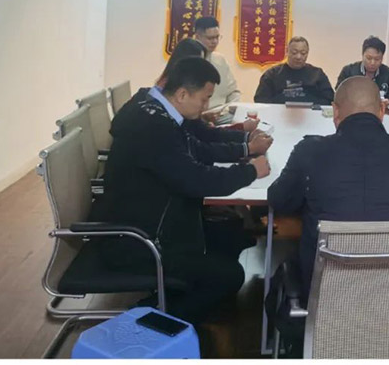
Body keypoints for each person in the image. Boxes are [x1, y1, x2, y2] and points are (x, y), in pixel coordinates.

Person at [101, 56, 270, 326]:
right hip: (141, 240)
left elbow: (196, 150)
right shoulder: (153, 127)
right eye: (204, 99)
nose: (206, 106)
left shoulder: (156, 110)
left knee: (233, 234)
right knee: (230, 275)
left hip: (158, 218)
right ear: (182, 94)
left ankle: (177, 293)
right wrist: (249, 172)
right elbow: (195, 179)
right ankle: (147, 320)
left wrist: (244, 151)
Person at [267, 76, 389, 297]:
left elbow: (279, 200)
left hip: (325, 291)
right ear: (382, 110)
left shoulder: (310, 151)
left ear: (335, 110)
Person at [118, 39, 272, 164]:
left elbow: (198, 139)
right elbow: (196, 153)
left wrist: (245, 140)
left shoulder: (168, 102)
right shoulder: (158, 115)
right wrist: (247, 149)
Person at [254, 36, 334, 104]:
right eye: (294, 52)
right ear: (287, 51)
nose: (298, 57)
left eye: (303, 53)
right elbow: (261, 99)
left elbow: (329, 100)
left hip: (310, 114)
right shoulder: (272, 75)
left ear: (307, 53)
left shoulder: (317, 74)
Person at [335, 35, 389, 109]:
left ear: (382, 58)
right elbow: (338, 95)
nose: (372, 63)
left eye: (377, 59)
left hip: (380, 113)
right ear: (362, 55)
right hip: (353, 111)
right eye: (369, 58)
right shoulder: (348, 71)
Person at [192, 15, 242, 110]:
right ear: (197, 37)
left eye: (217, 37)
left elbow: (233, 92)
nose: (215, 42)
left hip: (221, 113)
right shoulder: (187, 61)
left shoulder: (220, 60)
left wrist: (233, 108)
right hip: (195, 114)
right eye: (210, 38)